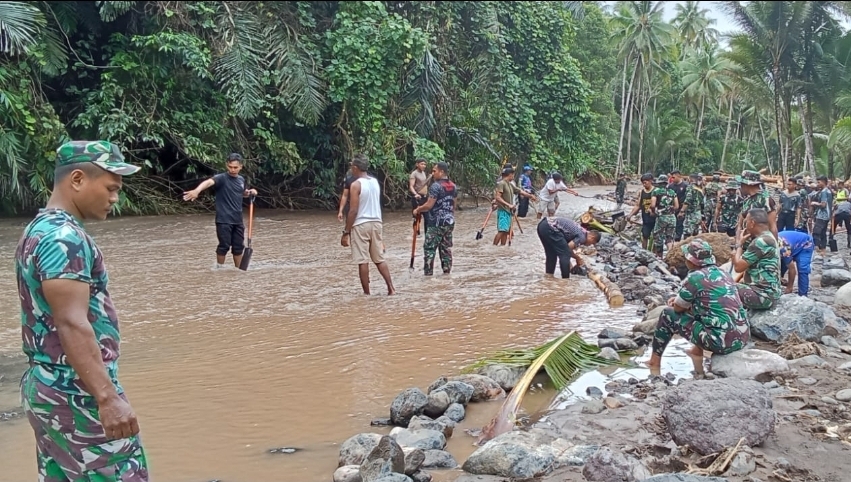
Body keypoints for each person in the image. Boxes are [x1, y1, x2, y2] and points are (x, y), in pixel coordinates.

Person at [16, 140, 149, 481]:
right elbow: (71, 322)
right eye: (110, 188)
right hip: (77, 392)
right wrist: (107, 397)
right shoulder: (65, 238)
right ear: (77, 179)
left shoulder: (39, 230)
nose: (115, 198)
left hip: (51, 387)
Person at [647, 239, 750, 376]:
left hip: (720, 342)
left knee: (667, 314)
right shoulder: (724, 273)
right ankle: (696, 352)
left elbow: (677, 309)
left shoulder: (695, 278)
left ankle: (654, 361)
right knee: (703, 310)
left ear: (691, 261)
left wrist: (677, 303)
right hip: (742, 337)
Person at [183, 153, 258, 268]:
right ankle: (220, 269)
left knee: (238, 247)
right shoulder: (221, 178)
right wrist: (197, 190)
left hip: (237, 220)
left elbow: (242, 193)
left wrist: (250, 192)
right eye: (230, 167)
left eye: (235, 167)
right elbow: (208, 182)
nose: (232, 170)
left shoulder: (241, 180)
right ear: (227, 165)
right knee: (224, 246)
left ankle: (239, 271)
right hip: (223, 219)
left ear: (241, 166)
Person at [342, 154, 396, 295]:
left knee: (363, 261)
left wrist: (346, 232)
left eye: (352, 167)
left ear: (355, 168)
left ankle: (367, 294)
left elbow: (353, 210)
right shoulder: (374, 182)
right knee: (379, 259)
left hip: (361, 224)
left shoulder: (356, 185)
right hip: (377, 223)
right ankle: (391, 288)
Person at [733, 209, 781, 310]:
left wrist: (739, 245)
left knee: (722, 288)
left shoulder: (761, 241)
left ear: (752, 223)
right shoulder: (769, 237)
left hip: (762, 295)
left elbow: (738, 267)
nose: (745, 225)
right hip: (769, 293)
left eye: (746, 221)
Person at [414, 162, 457, 275]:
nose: (432, 173)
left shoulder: (436, 186)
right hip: (449, 222)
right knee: (446, 249)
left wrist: (418, 209)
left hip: (436, 223)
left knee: (429, 249)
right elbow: (453, 205)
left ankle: (428, 275)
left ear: (441, 172)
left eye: (434, 171)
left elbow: (429, 205)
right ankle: (447, 273)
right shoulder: (453, 186)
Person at [536, 217, 602, 278]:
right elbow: (567, 249)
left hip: (543, 225)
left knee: (551, 254)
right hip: (551, 228)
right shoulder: (582, 237)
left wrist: (571, 266)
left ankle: (549, 277)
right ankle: (566, 281)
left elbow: (566, 248)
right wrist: (577, 258)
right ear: (592, 237)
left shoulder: (582, 231)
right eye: (592, 243)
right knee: (564, 255)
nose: (590, 245)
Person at [494, 166, 536, 246]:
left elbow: (520, 191)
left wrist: (530, 196)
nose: (513, 176)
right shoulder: (502, 183)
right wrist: (508, 205)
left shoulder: (510, 184)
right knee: (502, 230)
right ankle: (494, 246)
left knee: (506, 231)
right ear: (510, 175)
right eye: (513, 175)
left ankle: (502, 247)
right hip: (503, 210)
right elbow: (498, 197)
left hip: (508, 211)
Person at [735, 170, 778, 240]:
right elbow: (739, 224)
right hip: (746, 243)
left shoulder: (765, 200)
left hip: (761, 243)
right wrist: (737, 243)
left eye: (742, 184)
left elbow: (772, 226)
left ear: (748, 184)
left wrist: (774, 244)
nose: (741, 186)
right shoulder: (747, 201)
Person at [779, 230, 815, 297]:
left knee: (802, 268)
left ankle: (803, 295)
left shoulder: (783, 248)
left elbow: (792, 269)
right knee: (780, 265)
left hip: (805, 243)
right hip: (791, 245)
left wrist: (789, 287)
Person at [650, 174, 679, 257]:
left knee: (658, 238)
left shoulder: (656, 191)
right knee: (669, 238)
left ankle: (660, 258)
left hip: (661, 217)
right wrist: (670, 210)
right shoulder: (672, 192)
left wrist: (654, 212)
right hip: (672, 217)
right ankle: (670, 256)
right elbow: (677, 206)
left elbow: (652, 205)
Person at [629, 173, 656, 250]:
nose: (644, 185)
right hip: (646, 218)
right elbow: (638, 205)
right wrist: (630, 215)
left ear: (650, 181)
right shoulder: (642, 192)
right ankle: (644, 252)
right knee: (645, 235)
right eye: (643, 183)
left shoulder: (656, 191)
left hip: (655, 218)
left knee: (656, 237)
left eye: (645, 182)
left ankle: (655, 254)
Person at [810, 175, 833, 254]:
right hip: (827, 215)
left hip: (822, 215)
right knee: (823, 233)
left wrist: (814, 203)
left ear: (823, 182)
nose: (817, 184)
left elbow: (823, 205)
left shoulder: (824, 192)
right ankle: (823, 249)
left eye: (819, 182)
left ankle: (817, 249)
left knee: (816, 232)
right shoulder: (829, 191)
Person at [409, 158, 431, 235]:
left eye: (425, 164)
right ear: (417, 164)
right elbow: (411, 186)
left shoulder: (423, 173)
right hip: (417, 198)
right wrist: (415, 194)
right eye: (422, 164)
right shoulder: (414, 174)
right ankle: (416, 234)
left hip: (425, 198)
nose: (424, 166)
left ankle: (427, 234)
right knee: (417, 217)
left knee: (427, 217)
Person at [680, 173, 705, 238]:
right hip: (698, 214)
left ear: (691, 179)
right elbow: (702, 203)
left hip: (691, 214)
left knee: (687, 233)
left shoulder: (690, 188)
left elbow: (687, 200)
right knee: (695, 234)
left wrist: (682, 211)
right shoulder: (700, 189)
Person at [667, 170, 689, 241]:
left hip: (682, 208)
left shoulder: (686, 186)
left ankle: (678, 239)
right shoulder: (670, 186)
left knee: (680, 225)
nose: (672, 179)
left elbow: (688, 198)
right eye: (671, 177)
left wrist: (683, 210)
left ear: (678, 176)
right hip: (673, 208)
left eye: (673, 177)